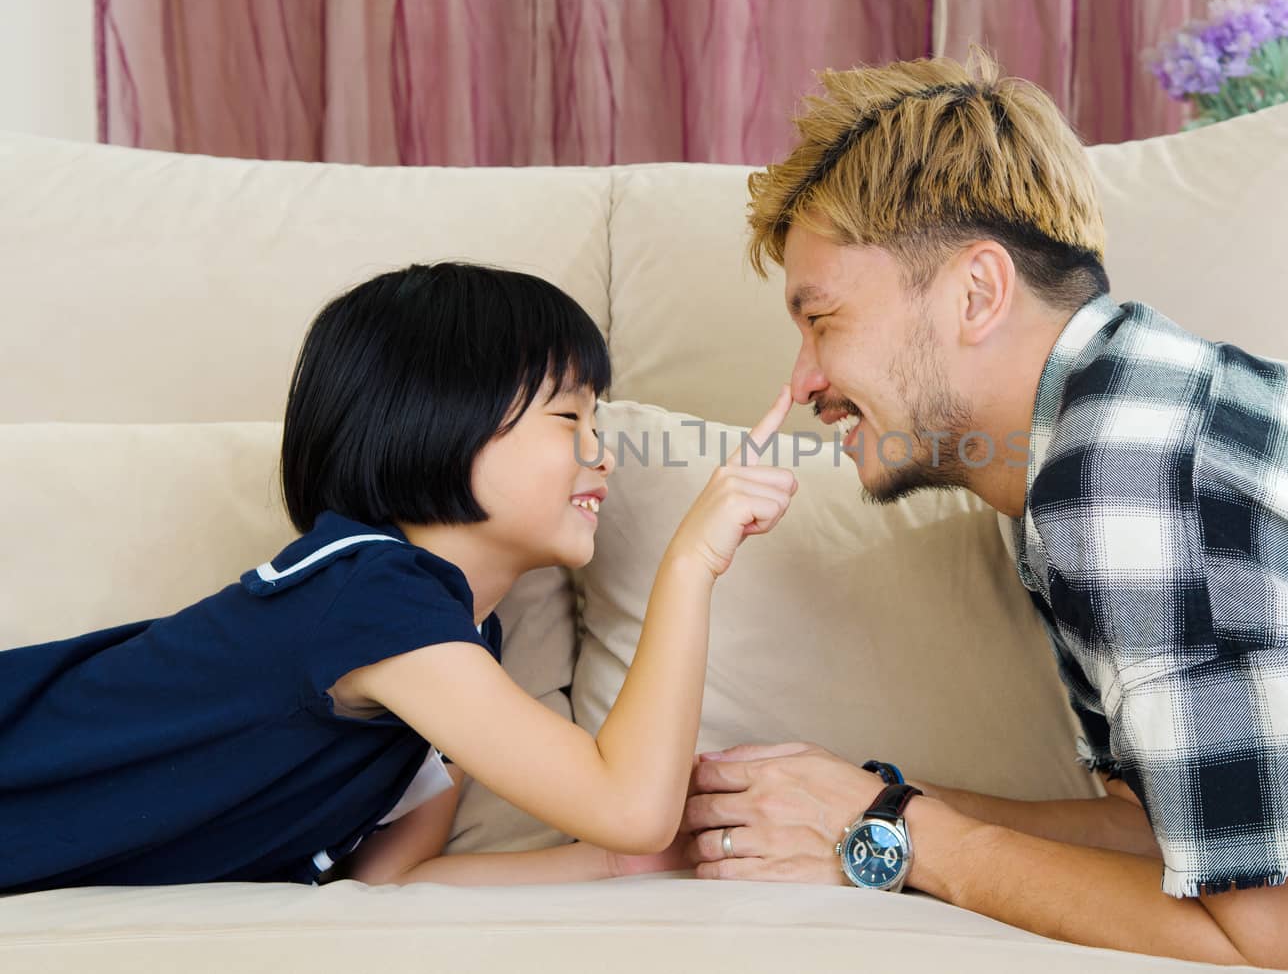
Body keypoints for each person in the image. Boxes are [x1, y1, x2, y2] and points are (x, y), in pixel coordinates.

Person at [677, 49, 1288, 972]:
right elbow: (1165, 829)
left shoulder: (1121, 478)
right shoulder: (1092, 428)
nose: (802, 382)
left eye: (822, 318)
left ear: (977, 292)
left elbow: (1279, 955)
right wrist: (880, 798)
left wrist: (888, 836)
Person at [0, 260, 796, 893]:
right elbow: (628, 804)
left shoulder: (451, 635)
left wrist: (630, 865)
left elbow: (387, 877)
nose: (603, 452)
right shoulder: (375, 596)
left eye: (601, 420)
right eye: (568, 417)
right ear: (439, 424)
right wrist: (692, 562)